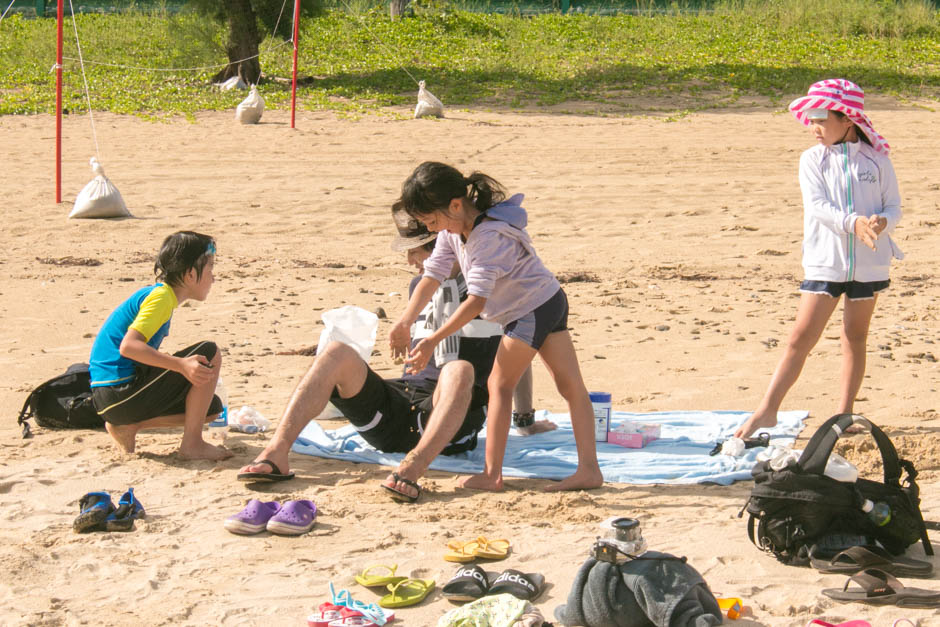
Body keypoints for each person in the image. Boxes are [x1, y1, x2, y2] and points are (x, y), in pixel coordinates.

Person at [238, 205, 553, 502]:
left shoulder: (494, 291)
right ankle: (276, 453)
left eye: (416, 252)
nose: (411, 262)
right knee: (336, 352)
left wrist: (524, 420)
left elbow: (519, 357)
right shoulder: (420, 287)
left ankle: (412, 469)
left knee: (459, 370)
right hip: (400, 408)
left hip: (453, 416)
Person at [391, 161, 604, 492]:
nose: (433, 229)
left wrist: (432, 339)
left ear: (456, 205)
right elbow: (432, 274)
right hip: (547, 298)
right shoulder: (452, 232)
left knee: (499, 385)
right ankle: (589, 470)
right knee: (569, 385)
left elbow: (476, 301)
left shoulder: (487, 237)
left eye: (432, 220)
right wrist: (405, 321)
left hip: (532, 308)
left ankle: (493, 475)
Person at [735, 79, 902, 439]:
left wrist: (882, 221)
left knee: (855, 336)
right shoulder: (812, 159)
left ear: (848, 120)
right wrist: (852, 223)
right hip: (825, 261)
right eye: (811, 120)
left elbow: (894, 206)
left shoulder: (878, 160)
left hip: (870, 263)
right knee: (800, 338)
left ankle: (844, 414)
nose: (814, 128)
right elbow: (818, 208)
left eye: (821, 120)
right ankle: (767, 411)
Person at [89, 231, 231, 461]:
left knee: (211, 408)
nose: (213, 277)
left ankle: (129, 426)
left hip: (111, 396)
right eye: (210, 268)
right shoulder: (162, 297)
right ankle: (192, 444)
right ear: (190, 274)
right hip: (118, 390)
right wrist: (180, 365)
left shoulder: (160, 296)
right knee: (209, 353)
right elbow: (129, 347)